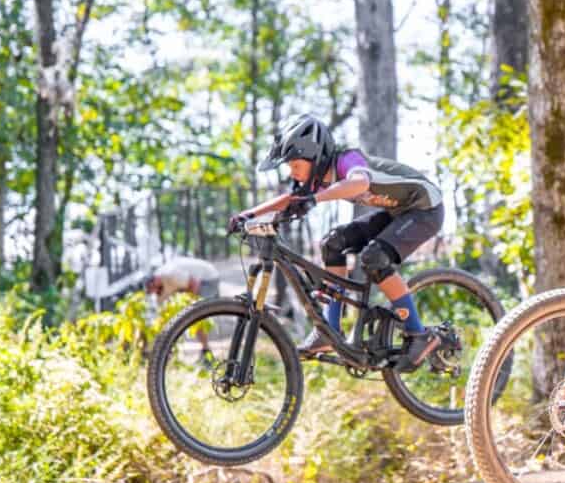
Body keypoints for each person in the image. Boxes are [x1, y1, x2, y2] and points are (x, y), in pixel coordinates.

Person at [228, 112, 446, 370]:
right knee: (333, 243)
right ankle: (329, 330)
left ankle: (419, 334)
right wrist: (248, 215)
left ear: (313, 156)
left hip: (425, 208)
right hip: (397, 212)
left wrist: (314, 199)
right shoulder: (318, 178)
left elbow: (359, 183)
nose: (292, 173)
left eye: (295, 165)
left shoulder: (346, 159)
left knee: (374, 258)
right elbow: (289, 199)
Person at [145, 256, 221, 355]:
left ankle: (206, 350)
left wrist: (189, 307)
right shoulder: (159, 289)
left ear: (155, 280)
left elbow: (194, 283)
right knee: (186, 314)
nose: (155, 292)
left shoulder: (170, 274)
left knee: (195, 314)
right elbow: (162, 313)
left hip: (207, 278)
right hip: (189, 283)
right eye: (152, 292)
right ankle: (168, 352)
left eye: (153, 288)